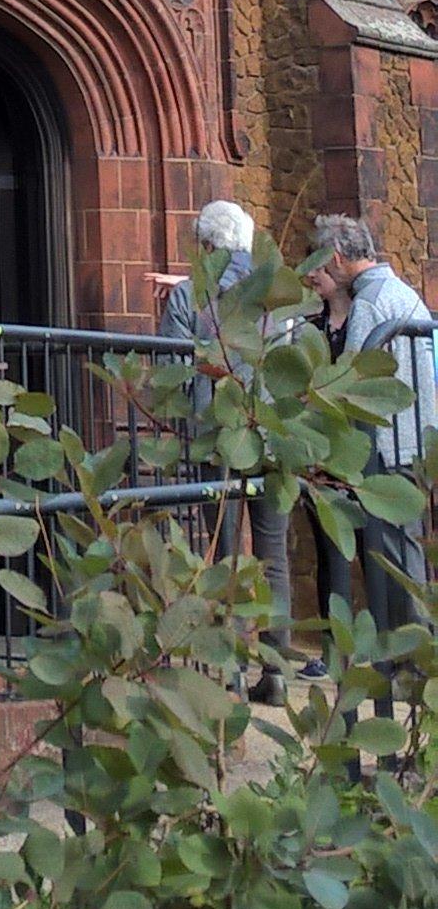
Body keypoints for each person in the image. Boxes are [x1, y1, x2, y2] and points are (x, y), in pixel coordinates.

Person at [153, 200, 291, 703]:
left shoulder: (191, 294)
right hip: (272, 432)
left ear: (207, 245)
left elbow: (170, 362)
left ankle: (228, 670)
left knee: (224, 552)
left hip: (218, 437)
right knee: (272, 556)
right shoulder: (275, 293)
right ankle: (276, 673)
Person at [303, 215, 438, 648]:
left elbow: (350, 382)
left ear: (337, 258)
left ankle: (409, 660)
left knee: (395, 561)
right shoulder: (400, 291)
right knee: (405, 555)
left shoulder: (371, 303)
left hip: (389, 444)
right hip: (413, 439)